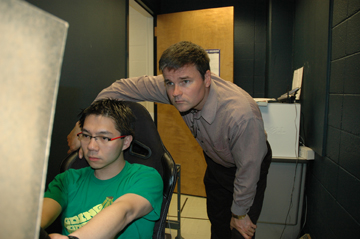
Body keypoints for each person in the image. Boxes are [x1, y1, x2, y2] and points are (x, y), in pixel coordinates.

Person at [67, 41, 272, 239]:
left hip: (247, 165)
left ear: (207, 78)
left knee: (239, 230)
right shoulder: (178, 89)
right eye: (169, 83)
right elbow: (121, 88)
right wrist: (84, 128)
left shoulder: (241, 116)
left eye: (185, 82)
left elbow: (249, 170)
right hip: (216, 161)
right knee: (218, 223)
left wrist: (239, 213)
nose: (175, 93)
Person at [42, 99, 163, 239]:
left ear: (126, 142)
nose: (91, 146)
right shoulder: (67, 180)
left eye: (104, 138)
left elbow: (124, 211)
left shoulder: (145, 178)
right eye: (86, 136)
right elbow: (38, 218)